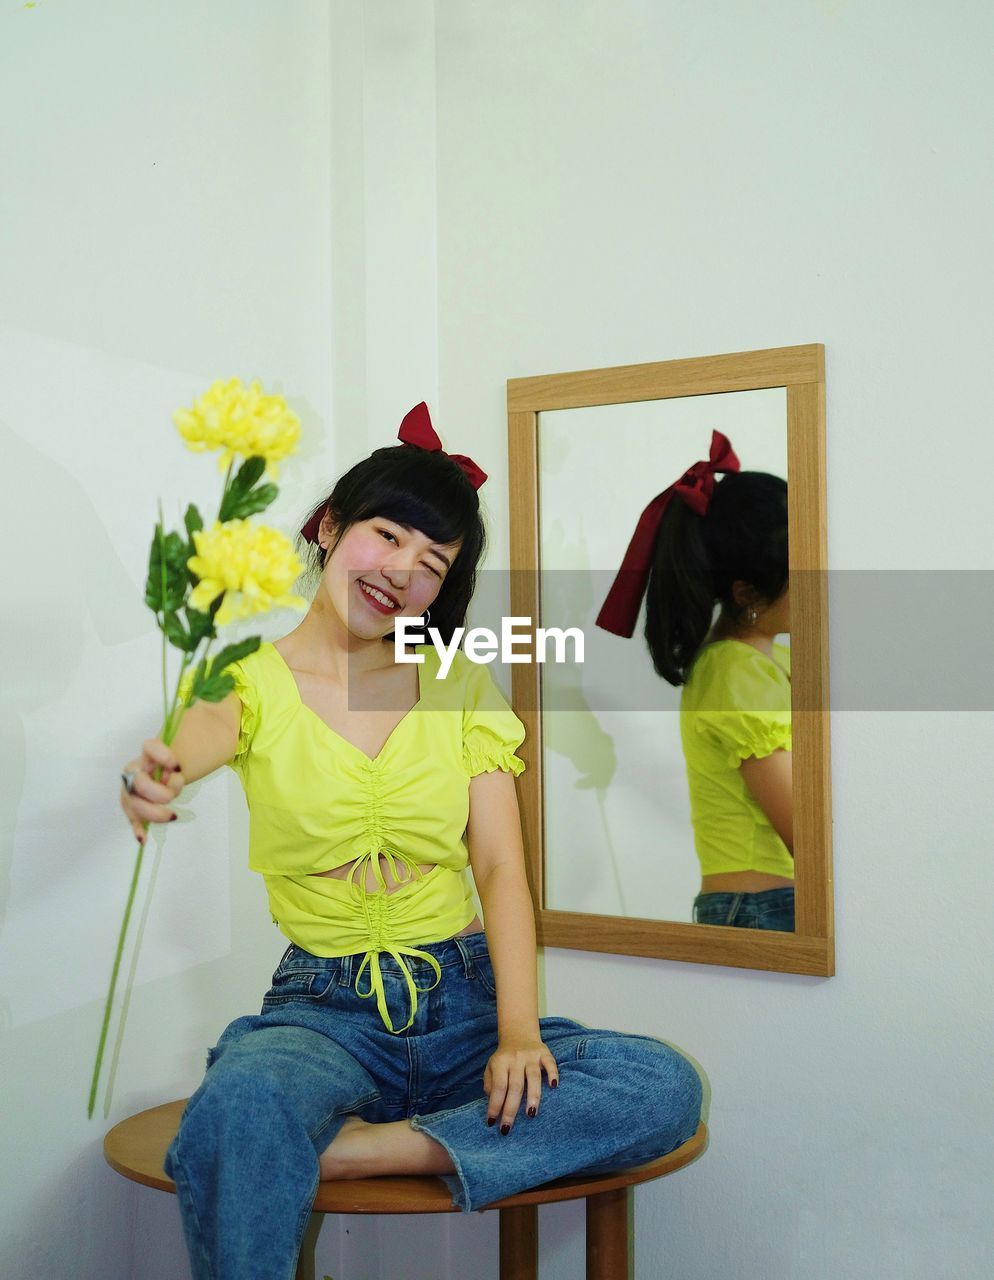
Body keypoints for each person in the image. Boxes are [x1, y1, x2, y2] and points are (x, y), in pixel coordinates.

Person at [118, 404, 703, 1280]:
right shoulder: (246, 682)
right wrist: (157, 773)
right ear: (328, 527)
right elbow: (190, 742)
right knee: (243, 1104)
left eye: (433, 564)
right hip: (324, 1012)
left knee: (661, 1086)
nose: (403, 572)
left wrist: (514, 1031)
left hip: (466, 1006)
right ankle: (313, 1132)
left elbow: (501, 868)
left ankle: (359, 1149)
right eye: (387, 536)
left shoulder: (459, 684)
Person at [596, 430, 794, 932]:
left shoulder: (769, 661)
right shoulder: (735, 672)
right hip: (762, 907)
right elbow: (804, 829)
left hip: (769, 900)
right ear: (748, 592)